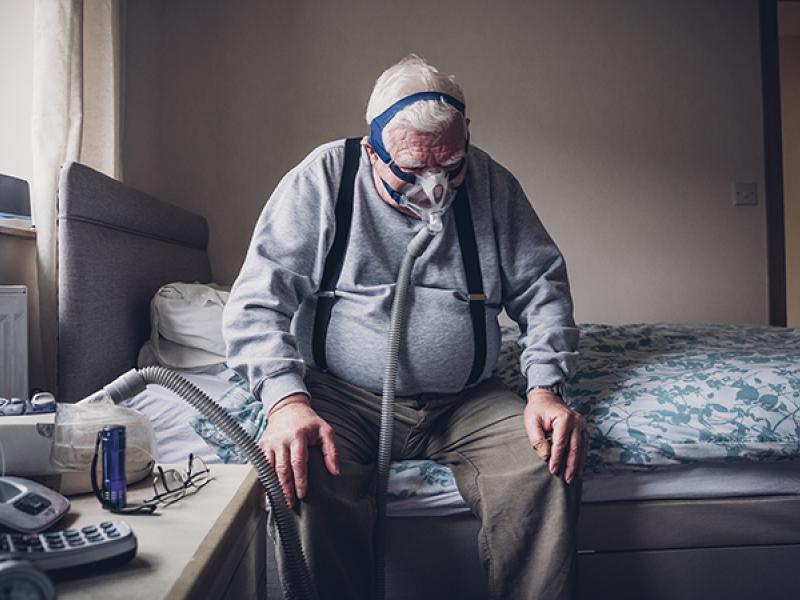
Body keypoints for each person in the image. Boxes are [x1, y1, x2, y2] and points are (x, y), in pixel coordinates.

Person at [223, 54, 589, 600]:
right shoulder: (324, 178)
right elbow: (257, 301)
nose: (434, 188)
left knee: (545, 465)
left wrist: (545, 388)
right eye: (413, 170)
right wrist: (284, 404)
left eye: (451, 166)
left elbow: (543, 289)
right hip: (341, 396)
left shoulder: (490, 184)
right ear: (373, 151)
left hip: (464, 401)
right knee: (302, 476)